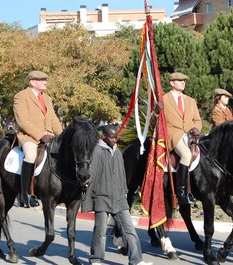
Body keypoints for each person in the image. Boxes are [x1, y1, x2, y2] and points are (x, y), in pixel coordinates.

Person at [82, 124, 153, 265]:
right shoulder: (97, 151)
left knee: (129, 230)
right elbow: (92, 174)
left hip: (119, 198)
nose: (115, 139)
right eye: (112, 137)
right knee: (100, 231)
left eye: (116, 137)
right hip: (102, 197)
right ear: (104, 137)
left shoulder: (118, 153)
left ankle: (136, 260)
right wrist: (89, 193)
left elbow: (122, 176)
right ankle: (96, 259)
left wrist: (125, 193)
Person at [13, 70, 62, 208]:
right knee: (31, 155)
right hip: (29, 136)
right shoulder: (21, 96)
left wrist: (62, 136)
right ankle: (25, 194)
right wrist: (41, 135)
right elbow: (23, 121)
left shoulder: (47, 98)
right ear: (33, 82)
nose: (45, 82)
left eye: (45, 80)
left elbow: (53, 119)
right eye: (42, 80)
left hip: (49, 136)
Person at [153, 72, 202, 205]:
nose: (183, 82)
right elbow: (153, 124)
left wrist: (197, 128)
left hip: (191, 135)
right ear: (171, 83)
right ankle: (181, 191)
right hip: (173, 135)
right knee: (186, 155)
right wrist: (156, 112)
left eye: (184, 80)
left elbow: (197, 120)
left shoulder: (191, 101)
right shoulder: (164, 100)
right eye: (179, 80)